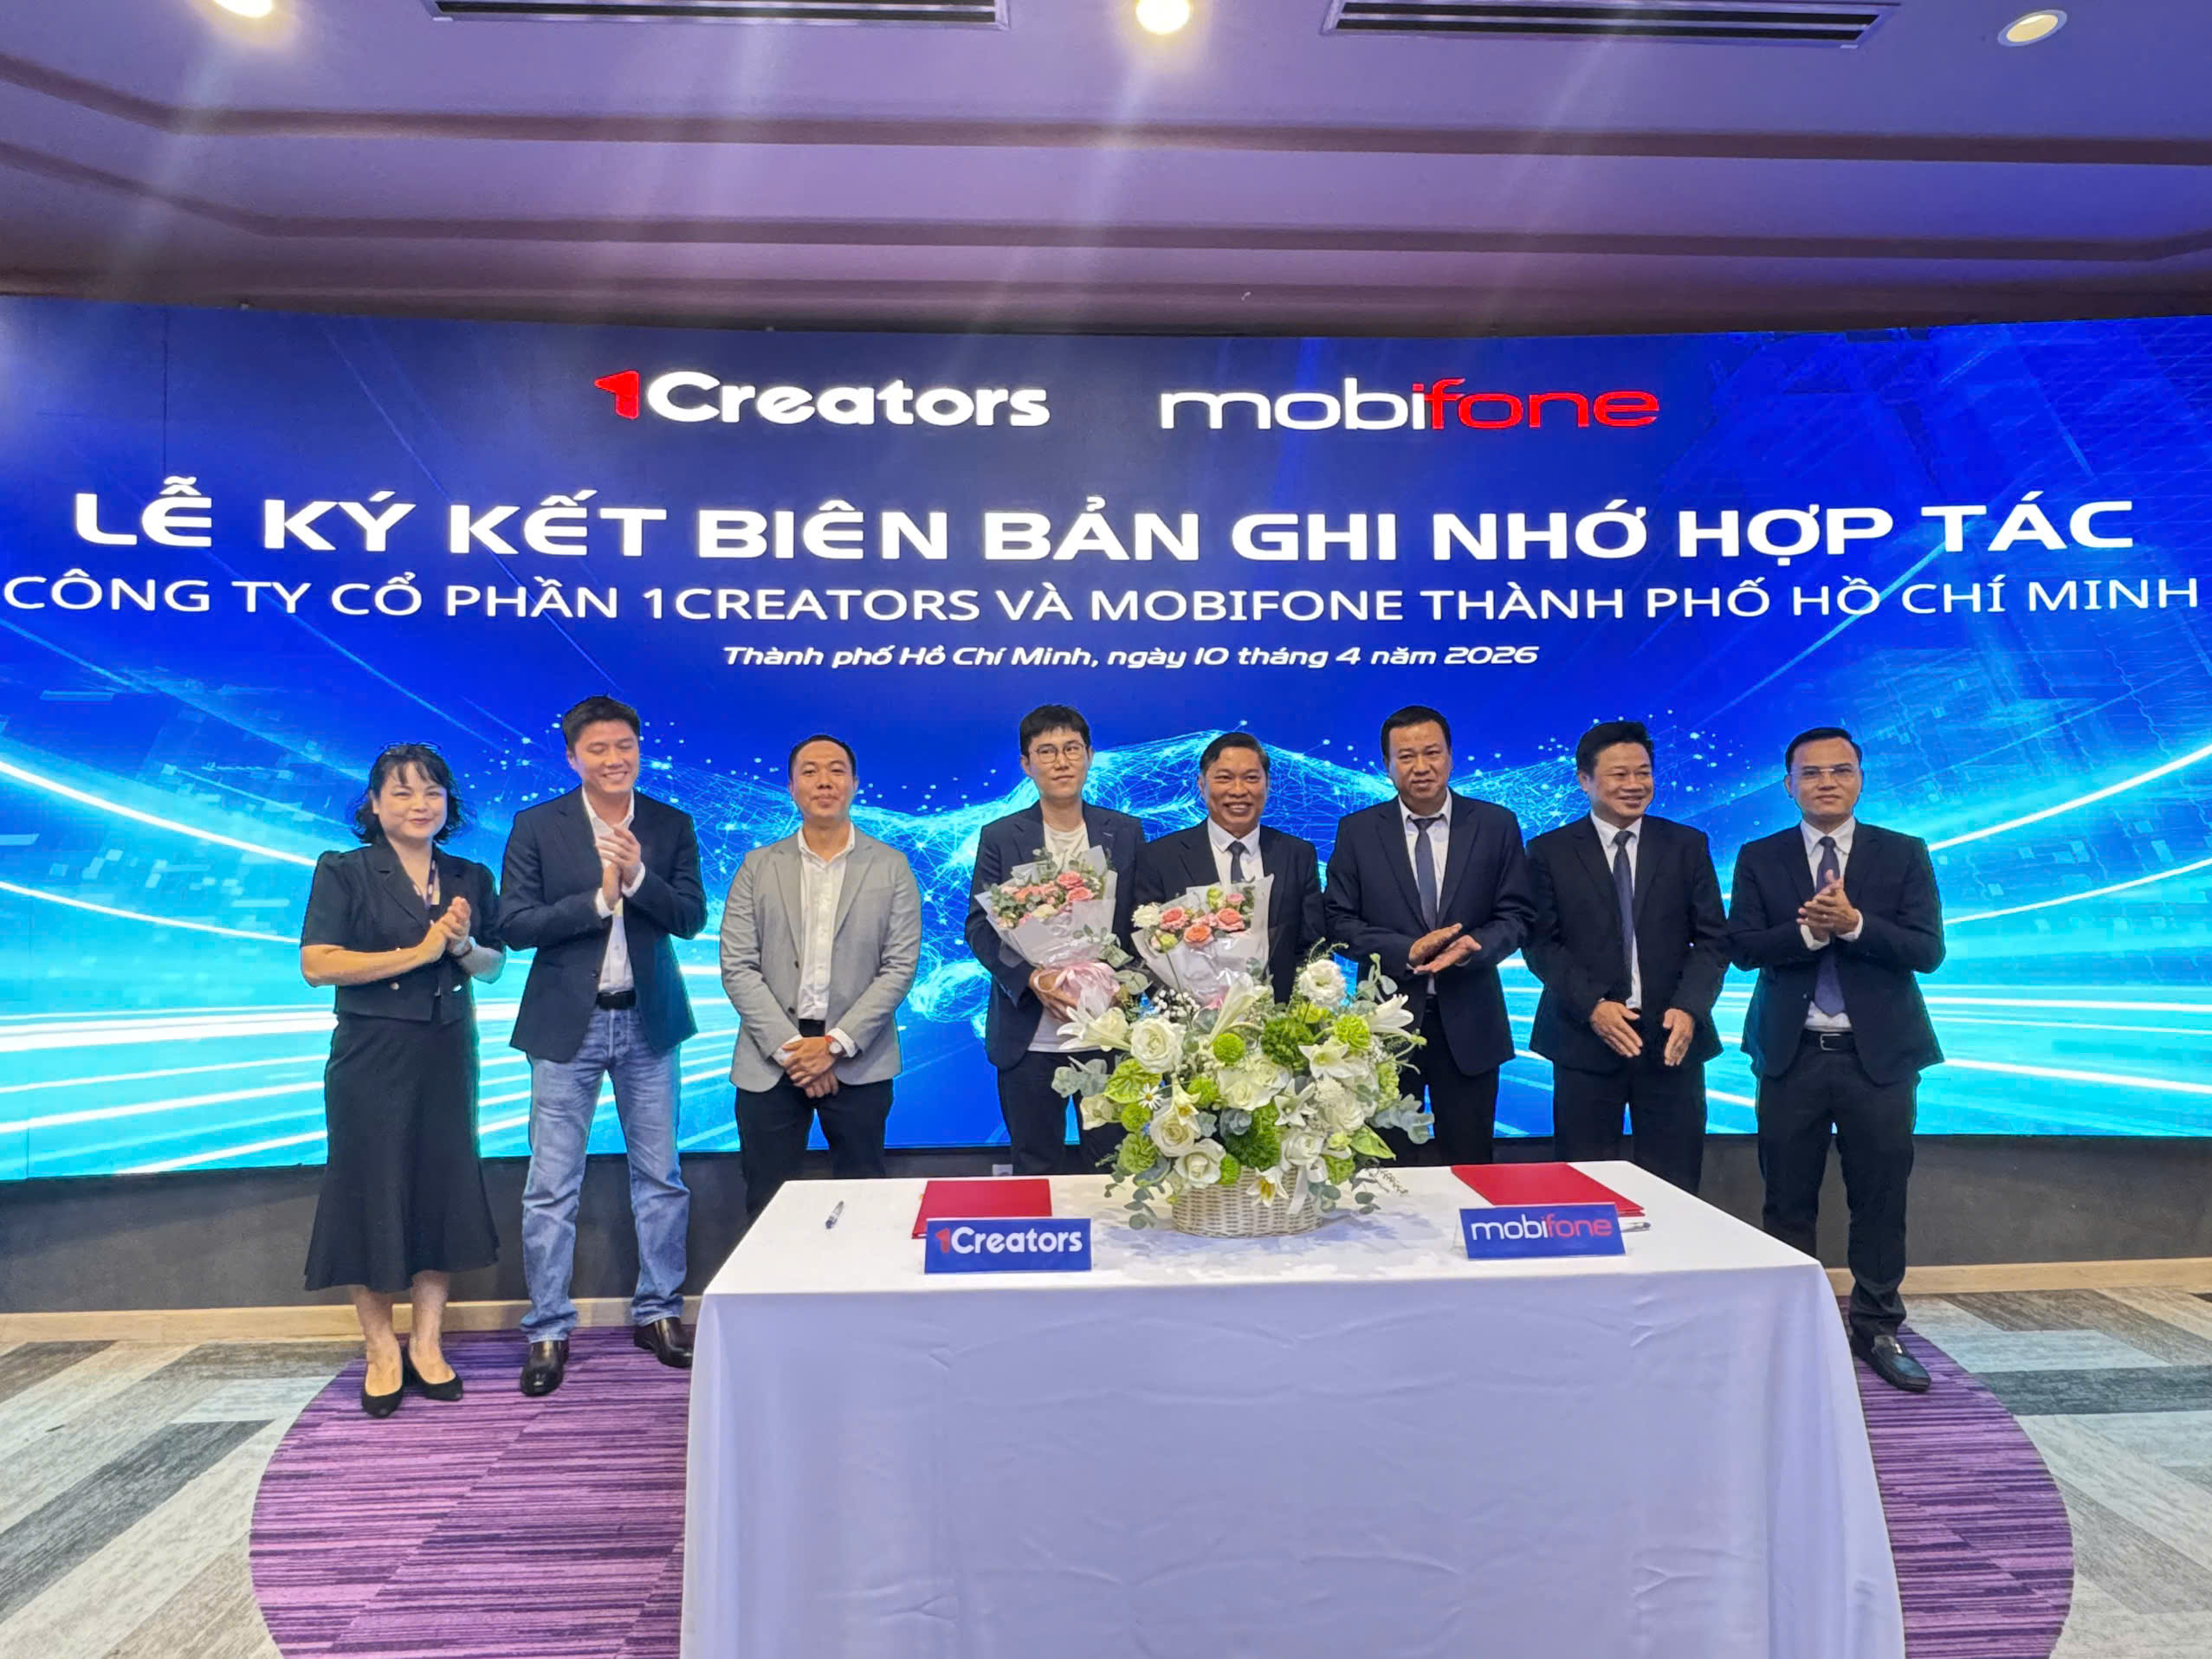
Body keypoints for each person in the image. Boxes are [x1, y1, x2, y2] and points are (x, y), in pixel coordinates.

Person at [501, 694, 707, 1398]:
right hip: (568, 1024)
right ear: (572, 757)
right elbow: (514, 924)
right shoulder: (538, 825)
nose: (615, 759)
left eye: (625, 746)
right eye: (598, 749)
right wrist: (597, 900)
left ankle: (659, 1313)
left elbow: (690, 918)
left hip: (649, 1021)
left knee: (661, 1178)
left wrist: (640, 878)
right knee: (551, 1185)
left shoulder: (670, 824)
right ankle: (548, 1329)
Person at [1728, 726, 1945, 1393]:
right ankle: (1795, 1331)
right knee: (1786, 1200)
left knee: (1879, 1198)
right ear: (1788, 784)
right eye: (1812, 772)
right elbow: (1744, 947)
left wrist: (1853, 925)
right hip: (1791, 1055)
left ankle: (1877, 1326)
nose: (1827, 782)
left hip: (1877, 1059)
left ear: (1861, 780)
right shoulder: (1760, 856)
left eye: (1840, 770)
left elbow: (1927, 951)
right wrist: (1808, 932)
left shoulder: (1902, 853)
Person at [300, 744, 504, 1418]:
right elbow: (317, 964)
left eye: (432, 792)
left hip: (447, 1049)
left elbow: (493, 966)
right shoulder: (345, 870)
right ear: (374, 803)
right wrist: (419, 952)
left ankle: (428, 1342)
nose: (420, 805)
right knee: (372, 1190)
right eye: (403, 792)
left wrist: (462, 946)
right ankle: (380, 1349)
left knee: (439, 1190)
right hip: (371, 1053)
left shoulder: (469, 874)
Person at [720, 734, 922, 1223]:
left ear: (855, 783)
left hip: (859, 1057)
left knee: (862, 1202)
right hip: (771, 1059)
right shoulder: (758, 866)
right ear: (791, 788)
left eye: (836, 770)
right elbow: (738, 964)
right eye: (809, 772)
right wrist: (795, 1051)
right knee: (767, 1204)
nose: (824, 781)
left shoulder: (891, 866)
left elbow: (899, 967)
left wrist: (833, 1046)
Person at [1324, 706, 1536, 1165]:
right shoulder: (1358, 831)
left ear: (1451, 757)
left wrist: (1475, 947)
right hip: (1384, 1030)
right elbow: (1338, 921)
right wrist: (1406, 950)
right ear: (1387, 766)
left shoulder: (1495, 825)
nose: (1421, 766)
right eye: (1406, 756)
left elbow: (1518, 914)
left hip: (1472, 1022)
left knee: (1471, 1163)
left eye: (1432, 753)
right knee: (1385, 1167)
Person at [1523, 720, 1727, 1193]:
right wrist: (1593, 1005)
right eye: (1619, 774)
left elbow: (1714, 940)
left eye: (1643, 772)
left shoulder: (1686, 846)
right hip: (1584, 1040)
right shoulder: (1549, 851)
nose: (1634, 784)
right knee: (1584, 1189)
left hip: (1672, 1041)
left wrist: (1690, 1008)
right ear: (1585, 780)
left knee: (1676, 1188)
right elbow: (1539, 944)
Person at [965, 704, 1146, 1175]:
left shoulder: (1124, 832)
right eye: (1046, 751)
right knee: (1033, 1166)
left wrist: (1126, 984)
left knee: (1114, 1166)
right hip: (1028, 1038)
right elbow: (980, 926)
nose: (1061, 761)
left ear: (1090, 756)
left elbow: (1142, 921)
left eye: (1071, 749)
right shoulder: (1000, 836)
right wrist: (1032, 978)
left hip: (1106, 1030)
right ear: (1026, 764)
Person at [1131, 730, 1326, 1003]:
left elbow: (1313, 947)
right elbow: (1146, 951)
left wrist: (1297, 1014)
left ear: (1268, 785)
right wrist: (1187, 1014)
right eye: (1224, 778)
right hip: (1190, 1021)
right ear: (1201, 785)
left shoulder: (1297, 854)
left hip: (1279, 1020)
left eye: (1251, 778)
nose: (1238, 790)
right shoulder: (1160, 856)